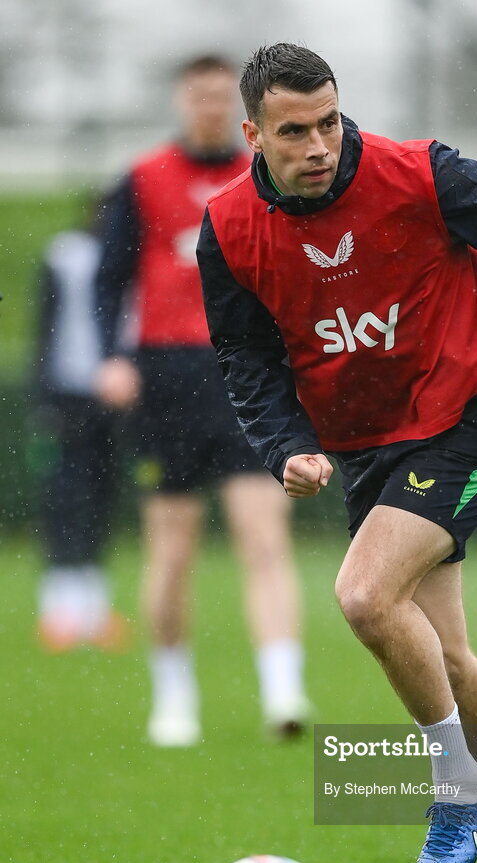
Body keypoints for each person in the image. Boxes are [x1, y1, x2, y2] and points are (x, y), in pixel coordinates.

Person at [197, 43, 477, 863]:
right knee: (442, 656)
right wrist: (284, 444)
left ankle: (456, 794)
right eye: (294, 131)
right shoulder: (227, 227)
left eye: (329, 121)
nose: (319, 145)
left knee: (365, 597)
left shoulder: (422, 174)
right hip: (369, 447)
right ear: (253, 134)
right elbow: (246, 352)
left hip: (464, 422)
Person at [95, 54, 310, 746]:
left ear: (243, 110)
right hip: (166, 376)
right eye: (200, 97)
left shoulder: (269, 175)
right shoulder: (141, 179)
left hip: (248, 371)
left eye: (223, 98)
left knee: (263, 535)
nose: (212, 109)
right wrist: (112, 358)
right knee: (172, 546)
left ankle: (282, 690)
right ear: (183, 101)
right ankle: (174, 698)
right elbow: (108, 278)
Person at [32, 205, 129, 653]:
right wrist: (44, 400)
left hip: (111, 395)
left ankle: (91, 607)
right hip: (69, 395)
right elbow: (43, 330)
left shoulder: (127, 257)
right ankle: (58, 606)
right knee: (65, 499)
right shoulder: (65, 256)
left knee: (100, 499)